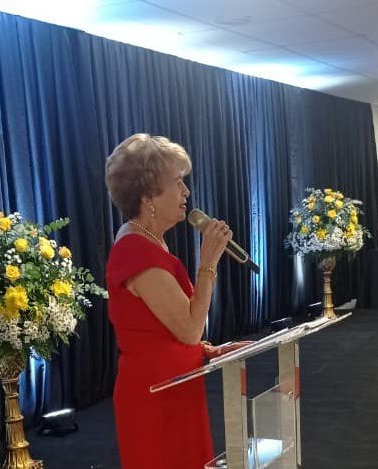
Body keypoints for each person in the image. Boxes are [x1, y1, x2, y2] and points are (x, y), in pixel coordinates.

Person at [105, 133, 251, 469]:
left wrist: (205, 350)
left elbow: (159, 328)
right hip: (156, 395)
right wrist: (208, 264)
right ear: (148, 195)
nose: (186, 192)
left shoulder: (149, 241)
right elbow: (188, 329)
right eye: (178, 182)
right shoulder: (136, 250)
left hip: (176, 384)